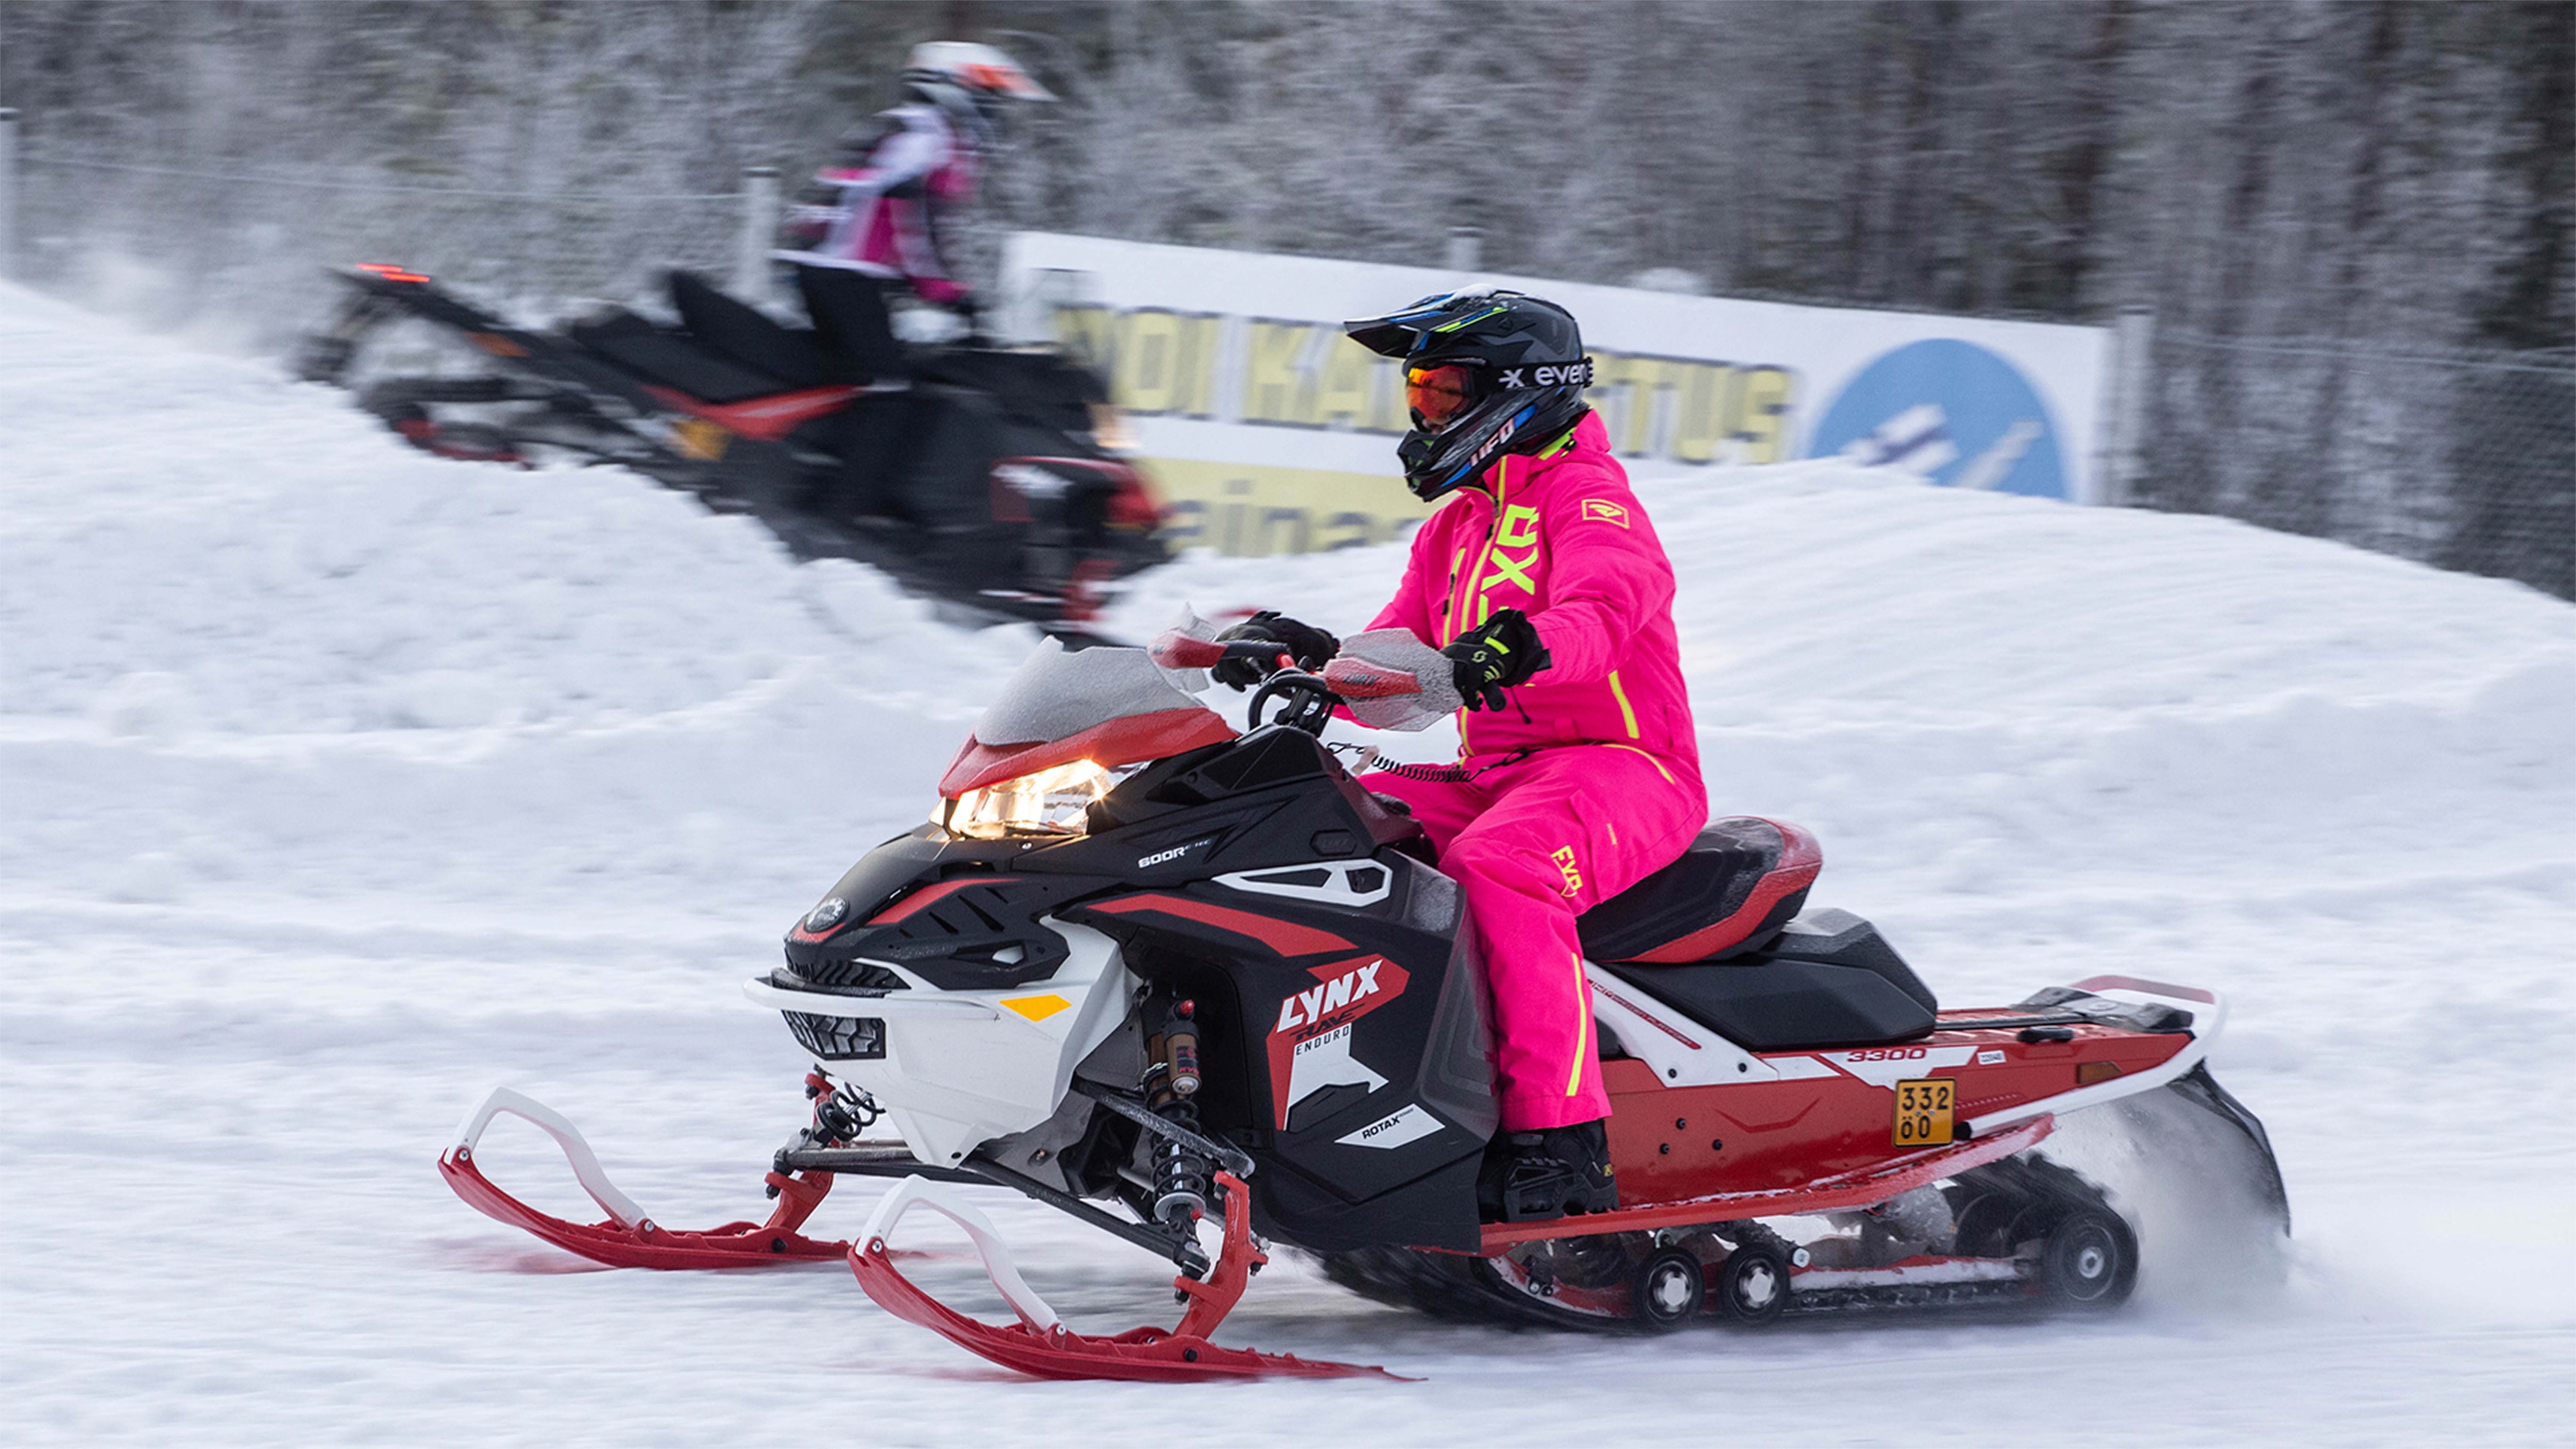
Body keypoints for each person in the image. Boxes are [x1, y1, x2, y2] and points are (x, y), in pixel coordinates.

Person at [1213, 289, 1707, 1222]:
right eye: (1421, 393)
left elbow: (1604, 617)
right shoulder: (1458, 525)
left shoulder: (1589, 497)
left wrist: (1518, 645)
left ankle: (1562, 1143)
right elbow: (1400, 661)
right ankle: (1361, 1104)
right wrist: (1307, 655)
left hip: (1624, 764)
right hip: (1501, 774)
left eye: (1446, 391)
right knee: (1326, 821)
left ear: (1515, 391)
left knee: (1502, 867)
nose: (1428, 412)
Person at [776, 41, 1054, 370]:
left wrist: (913, 282)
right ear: (953, 89)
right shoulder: (931, 137)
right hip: (842, 270)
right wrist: (946, 292)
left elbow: (870, 205)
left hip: (822, 262)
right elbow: (914, 220)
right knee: (886, 381)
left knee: (843, 370)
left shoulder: (906, 125)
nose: (995, 114)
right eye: (990, 99)